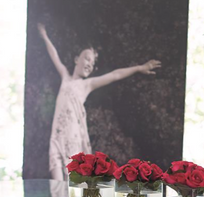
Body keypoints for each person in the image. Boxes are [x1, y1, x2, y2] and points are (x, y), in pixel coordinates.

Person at [38, 23, 161, 181]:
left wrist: (139, 68)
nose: (90, 64)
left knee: (71, 185)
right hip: (56, 137)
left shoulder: (86, 85)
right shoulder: (65, 78)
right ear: (76, 59)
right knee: (56, 186)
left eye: (92, 63)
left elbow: (115, 75)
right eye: (87, 58)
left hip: (73, 140)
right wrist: (44, 35)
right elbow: (54, 55)